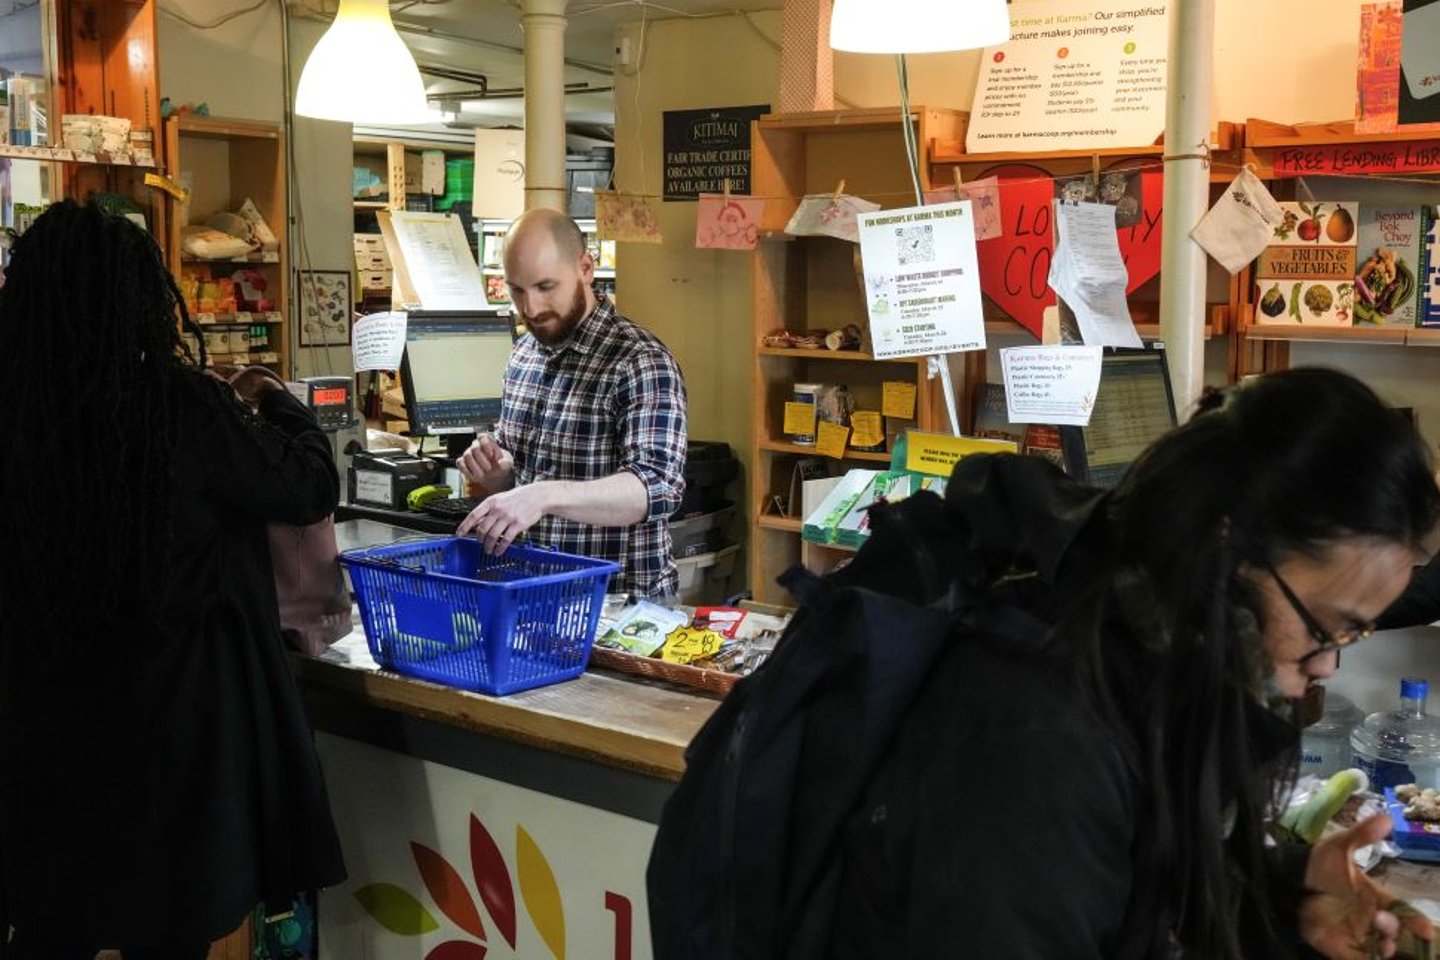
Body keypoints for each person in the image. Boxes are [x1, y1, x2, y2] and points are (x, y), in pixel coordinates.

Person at [661, 367, 1440, 959]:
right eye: (1329, 629)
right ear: (1232, 552)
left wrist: (1285, 905)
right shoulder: (1041, 737)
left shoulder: (1150, 668)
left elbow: (1142, 899)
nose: (1328, 667)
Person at [0, 202, 345, 958]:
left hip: (43, 750)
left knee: (50, 929)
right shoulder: (174, 410)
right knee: (170, 937)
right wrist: (285, 408)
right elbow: (307, 490)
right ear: (140, 303)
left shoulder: (15, 416)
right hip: (175, 753)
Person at [456, 208, 687, 598]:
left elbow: (658, 487)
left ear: (585, 268)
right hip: (532, 590)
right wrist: (499, 473)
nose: (530, 309)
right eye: (517, 290)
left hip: (620, 604)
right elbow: (520, 475)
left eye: (546, 286)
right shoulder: (524, 353)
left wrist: (542, 495)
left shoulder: (639, 360)